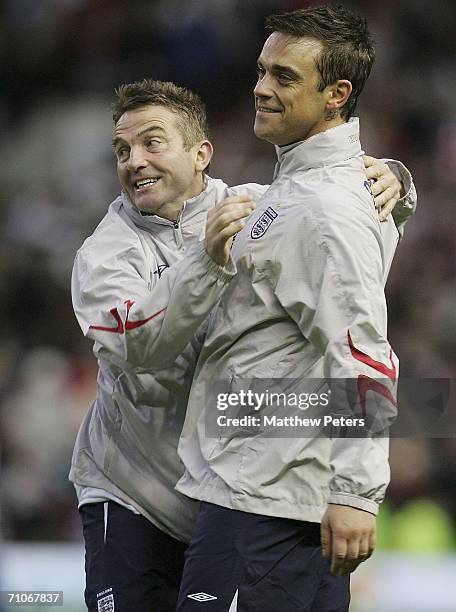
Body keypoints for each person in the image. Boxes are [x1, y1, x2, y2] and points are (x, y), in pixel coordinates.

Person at [70, 78, 415, 611]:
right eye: (122, 150)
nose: (134, 161)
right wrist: (202, 264)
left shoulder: (260, 207)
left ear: (201, 152)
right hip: (136, 492)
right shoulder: (106, 256)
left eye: (152, 142)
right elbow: (137, 348)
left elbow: (345, 259)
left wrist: (394, 184)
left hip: (225, 492)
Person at [175, 5, 414, 611]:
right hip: (268, 496)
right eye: (261, 71)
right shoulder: (315, 190)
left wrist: (358, 492)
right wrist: (400, 181)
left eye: (284, 76)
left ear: (337, 94)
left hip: (265, 507)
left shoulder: (323, 208)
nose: (260, 88)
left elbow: (363, 352)